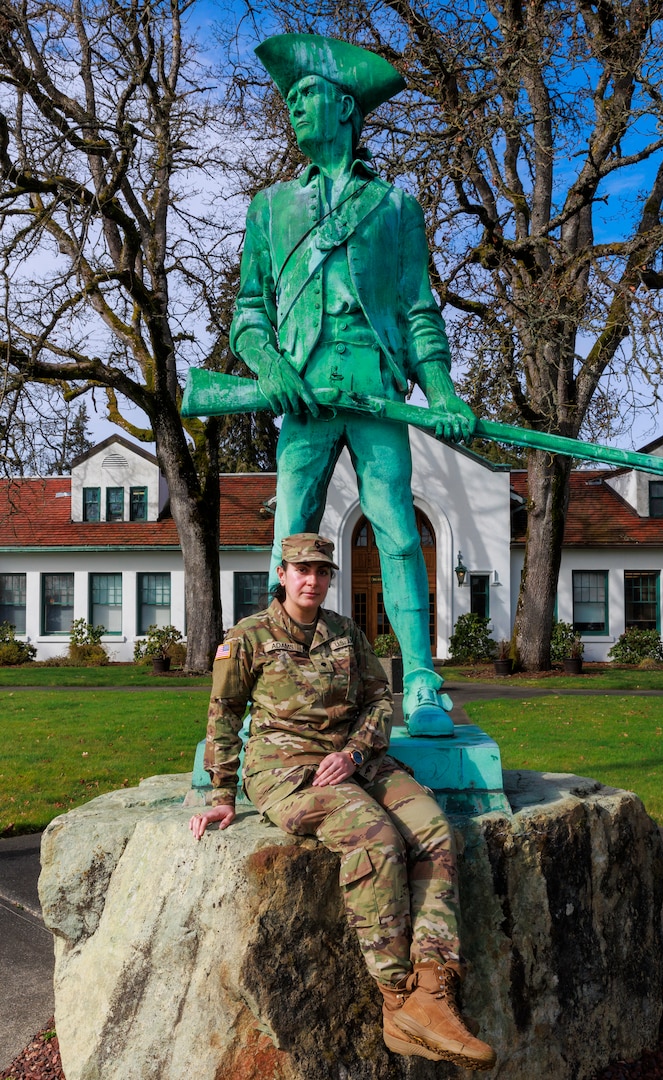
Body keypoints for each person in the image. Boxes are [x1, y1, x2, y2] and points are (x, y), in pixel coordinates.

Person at [229, 34, 476, 736]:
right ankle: (270, 690)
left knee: (398, 532)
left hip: (374, 385)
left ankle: (422, 681)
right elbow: (249, 313)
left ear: (343, 107)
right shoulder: (269, 207)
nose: (292, 111)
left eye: (305, 97)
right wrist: (270, 367)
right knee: (289, 537)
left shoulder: (395, 207)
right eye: (290, 100)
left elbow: (419, 309)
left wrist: (444, 395)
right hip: (301, 392)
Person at [189, 532, 496, 1071]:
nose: (312, 580)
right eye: (301, 570)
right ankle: (398, 1000)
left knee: (433, 830)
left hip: (357, 760)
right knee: (372, 835)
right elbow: (223, 714)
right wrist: (222, 793)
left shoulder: (347, 634)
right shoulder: (248, 637)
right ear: (281, 574)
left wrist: (356, 753)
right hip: (286, 770)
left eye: (322, 571)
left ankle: (433, 985)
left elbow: (380, 699)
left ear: (330, 578)